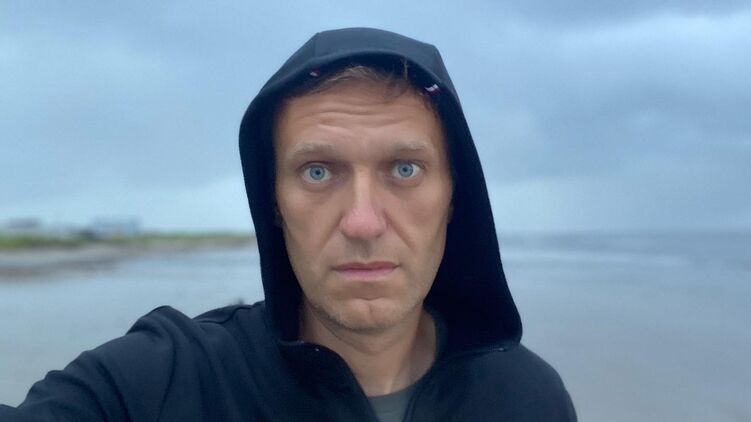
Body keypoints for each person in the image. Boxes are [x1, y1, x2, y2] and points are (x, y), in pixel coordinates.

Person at [1, 27, 576, 421]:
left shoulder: (529, 399)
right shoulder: (162, 382)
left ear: (455, 196)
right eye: (318, 172)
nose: (362, 222)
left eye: (405, 168)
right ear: (273, 201)